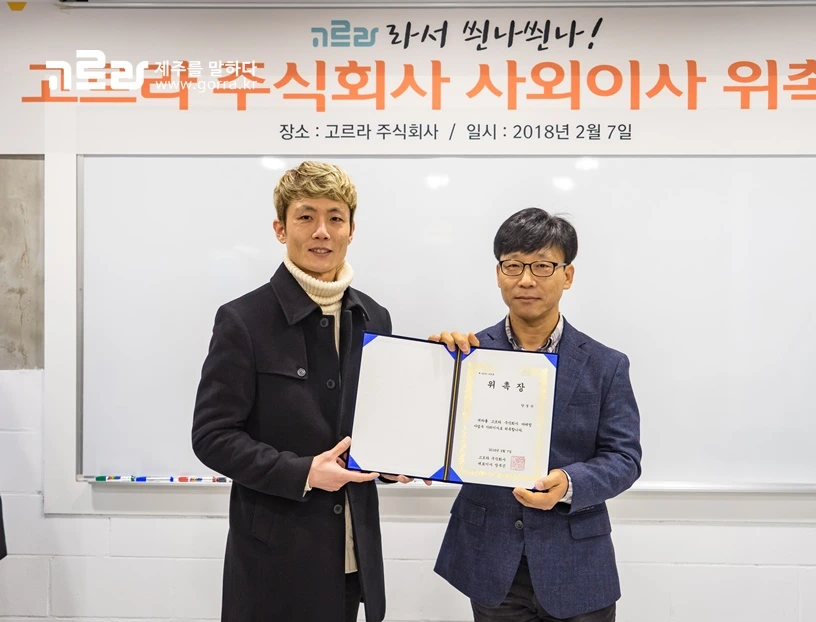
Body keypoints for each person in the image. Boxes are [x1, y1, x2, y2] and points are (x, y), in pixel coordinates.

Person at [192, 161, 412, 622]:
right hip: (275, 561)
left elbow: (374, 422)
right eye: (306, 216)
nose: (321, 231)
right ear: (281, 228)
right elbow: (212, 436)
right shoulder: (243, 320)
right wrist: (304, 472)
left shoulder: (374, 317)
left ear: (351, 230)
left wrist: (395, 461)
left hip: (352, 556)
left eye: (335, 218)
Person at [431, 207, 642, 622]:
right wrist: (435, 368)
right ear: (498, 274)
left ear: (567, 275)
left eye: (543, 266)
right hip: (491, 562)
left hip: (577, 564)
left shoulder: (606, 365)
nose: (526, 279)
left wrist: (568, 482)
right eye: (513, 265)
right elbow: (434, 440)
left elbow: (624, 459)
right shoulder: (467, 356)